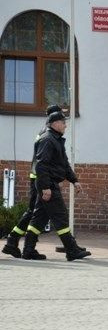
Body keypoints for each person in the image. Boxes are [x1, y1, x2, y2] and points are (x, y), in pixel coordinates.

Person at [20, 110, 91, 261]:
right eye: (63, 122)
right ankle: (71, 250)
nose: (65, 125)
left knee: (39, 218)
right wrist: (45, 187)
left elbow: (64, 164)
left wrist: (74, 180)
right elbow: (41, 165)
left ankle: (28, 250)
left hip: (49, 183)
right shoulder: (48, 140)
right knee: (61, 216)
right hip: (48, 185)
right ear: (55, 124)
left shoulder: (56, 139)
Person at [3, 105, 64, 259]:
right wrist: (48, 181)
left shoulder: (45, 133)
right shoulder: (47, 134)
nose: (64, 120)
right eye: (61, 117)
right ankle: (18, 243)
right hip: (40, 179)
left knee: (34, 212)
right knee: (35, 212)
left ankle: (14, 241)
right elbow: (43, 162)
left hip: (38, 178)